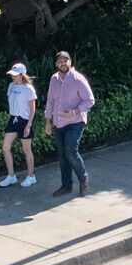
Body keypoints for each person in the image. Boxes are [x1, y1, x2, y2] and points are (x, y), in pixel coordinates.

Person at [44, 50, 95, 197]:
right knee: (63, 156)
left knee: (70, 151)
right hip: (58, 123)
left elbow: (90, 100)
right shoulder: (54, 79)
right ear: (56, 64)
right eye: (60, 61)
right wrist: (48, 122)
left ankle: (83, 177)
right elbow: (50, 101)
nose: (63, 63)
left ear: (70, 62)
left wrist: (75, 112)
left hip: (75, 122)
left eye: (65, 60)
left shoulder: (78, 79)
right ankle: (66, 186)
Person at [0, 62, 38, 188]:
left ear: (22, 75)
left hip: (25, 120)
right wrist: (9, 119)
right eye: (12, 75)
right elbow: (11, 104)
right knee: (5, 147)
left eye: (15, 75)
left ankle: (31, 176)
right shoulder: (11, 86)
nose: (13, 77)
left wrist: (28, 125)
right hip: (13, 120)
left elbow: (32, 109)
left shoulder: (28, 89)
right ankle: (11, 176)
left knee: (26, 149)